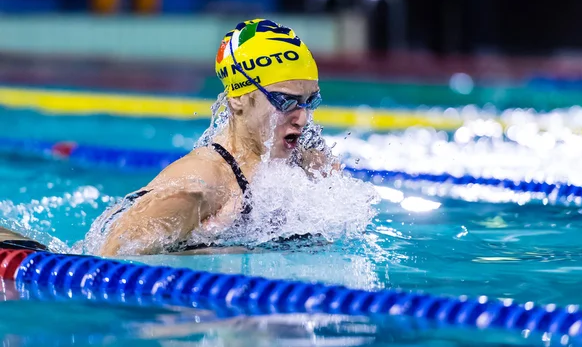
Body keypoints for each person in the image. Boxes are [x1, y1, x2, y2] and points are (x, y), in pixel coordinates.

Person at [0, 19, 339, 256]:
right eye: (285, 101)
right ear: (238, 98)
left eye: (310, 101)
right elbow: (107, 261)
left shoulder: (304, 162)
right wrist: (210, 254)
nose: (303, 117)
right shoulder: (198, 187)